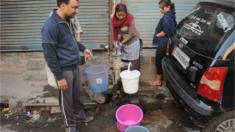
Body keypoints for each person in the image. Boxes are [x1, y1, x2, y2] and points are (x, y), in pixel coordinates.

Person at [41, 0, 93, 131]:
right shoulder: (51, 26)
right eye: (74, 7)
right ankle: (70, 126)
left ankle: (79, 116)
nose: (77, 10)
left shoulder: (67, 20)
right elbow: (49, 55)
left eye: (77, 7)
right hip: (64, 70)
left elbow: (71, 39)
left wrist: (83, 48)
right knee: (67, 101)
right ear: (63, 6)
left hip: (74, 65)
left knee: (77, 95)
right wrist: (59, 77)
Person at [150, 0, 177, 86]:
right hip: (166, 42)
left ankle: (158, 81)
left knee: (159, 60)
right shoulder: (171, 15)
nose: (160, 10)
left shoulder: (167, 16)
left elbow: (167, 29)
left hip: (163, 42)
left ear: (168, 7)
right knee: (164, 60)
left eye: (162, 8)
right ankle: (163, 80)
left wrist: (158, 35)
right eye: (160, 8)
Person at [112, 3, 141, 70]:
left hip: (133, 42)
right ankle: (124, 76)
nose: (121, 17)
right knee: (123, 61)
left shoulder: (130, 18)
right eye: (119, 15)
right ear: (116, 13)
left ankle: (134, 76)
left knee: (133, 61)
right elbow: (114, 32)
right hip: (123, 42)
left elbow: (130, 34)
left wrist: (121, 43)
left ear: (126, 13)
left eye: (123, 15)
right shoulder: (113, 19)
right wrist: (115, 42)